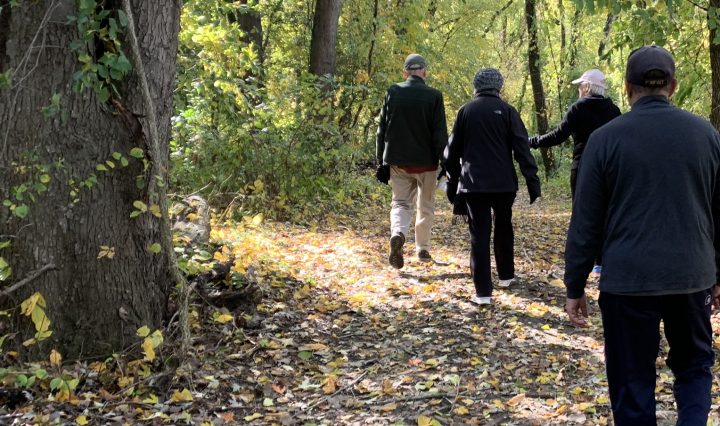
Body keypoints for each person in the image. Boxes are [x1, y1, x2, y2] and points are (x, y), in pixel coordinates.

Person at [564, 45, 720, 425]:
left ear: (628, 88)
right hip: (691, 277)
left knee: (631, 380)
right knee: (695, 367)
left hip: (627, 282)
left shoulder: (604, 140)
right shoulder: (707, 135)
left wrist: (575, 284)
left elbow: (586, 221)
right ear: (674, 85)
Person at [444, 68, 541, 305]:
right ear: (499, 87)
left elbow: (451, 152)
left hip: (474, 185)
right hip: (503, 184)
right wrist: (532, 182)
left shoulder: (465, 111)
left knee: (479, 234)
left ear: (476, 86)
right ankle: (506, 276)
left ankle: (483, 293)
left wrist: (453, 183)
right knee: (504, 226)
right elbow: (522, 148)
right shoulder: (508, 111)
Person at [530, 68, 620, 276]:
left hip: (582, 168)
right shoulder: (613, 111)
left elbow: (558, 136)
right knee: (606, 212)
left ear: (588, 87)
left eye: (581, 86)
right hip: (609, 169)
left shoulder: (578, 108)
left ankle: (582, 262)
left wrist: (532, 141)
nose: (579, 89)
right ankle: (602, 262)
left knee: (582, 214)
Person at [375, 53, 448, 269]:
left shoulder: (393, 91)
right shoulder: (434, 96)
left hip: (399, 162)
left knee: (400, 203)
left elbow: (382, 129)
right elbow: (440, 134)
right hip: (427, 164)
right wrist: (446, 164)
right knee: (425, 206)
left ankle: (398, 232)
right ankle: (422, 249)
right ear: (424, 72)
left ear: (405, 72)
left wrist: (381, 161)